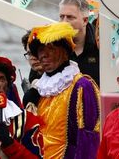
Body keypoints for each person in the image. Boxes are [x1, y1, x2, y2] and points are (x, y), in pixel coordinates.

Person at [24, 22, 101, 159]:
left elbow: (89, 139)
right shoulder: (39, 90)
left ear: (64, 51)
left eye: (50, 48)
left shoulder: (82, 86)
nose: (43, 55)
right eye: (40, 50)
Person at [57, 0, 100, 84]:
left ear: (85, 20)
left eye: (70, 17)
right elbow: (36, 76)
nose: (64, 22)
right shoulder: (52, 44)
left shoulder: (101, 42)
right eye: (61, 17)